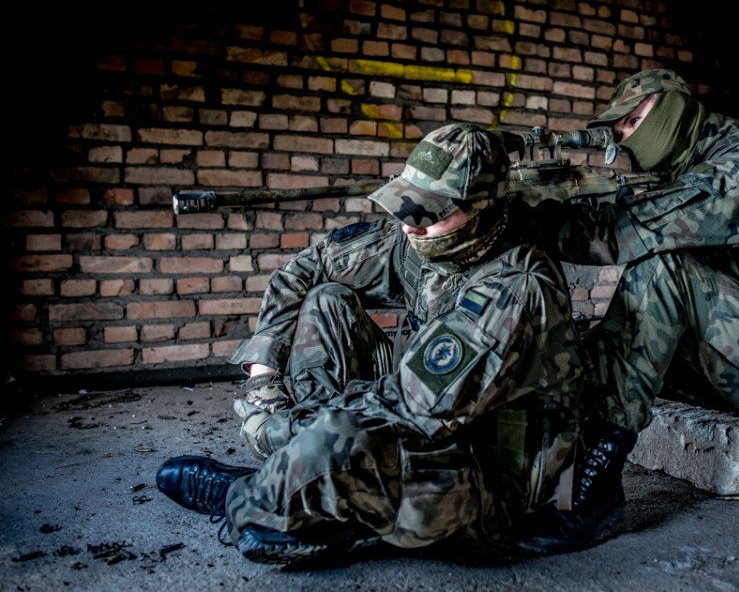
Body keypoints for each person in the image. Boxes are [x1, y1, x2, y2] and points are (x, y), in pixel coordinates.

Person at [156, 123, 586, 564]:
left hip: (497, 477)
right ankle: (313, 479)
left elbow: (410, 410)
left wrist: (275, 427)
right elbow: (307, 269)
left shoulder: (516, 284)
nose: (409, 228)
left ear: (481, 209)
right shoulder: (425, 241)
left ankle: (251, 494)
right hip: (428, 413)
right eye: (408, 209)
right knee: (327, 301)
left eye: (429, 214)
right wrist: (262, 378)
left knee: (349, 439)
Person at [517, 68, 739, 551]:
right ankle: (554, 483)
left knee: (660, 270)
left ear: (671, 107)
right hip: (738, 357)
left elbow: (620, 233)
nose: (623, 137)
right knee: (592, 348)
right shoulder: (700, 167)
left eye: (633, 121)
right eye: (618, 129)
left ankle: (594, 494)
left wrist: (519, 217)